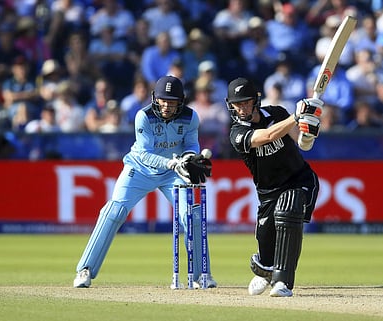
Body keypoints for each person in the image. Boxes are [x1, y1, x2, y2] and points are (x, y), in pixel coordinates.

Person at [73, 76, 215, 289]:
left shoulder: (191, 117)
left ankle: (199, 275)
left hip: (172, 172)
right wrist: (173, 163)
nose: (167, 105)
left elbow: (191, 144)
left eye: (172, 101)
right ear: (155, 98)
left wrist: (190, 159)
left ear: (181, 101)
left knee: (190, 214)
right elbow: (146, 154)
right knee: (114, 211)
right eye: (163, 100)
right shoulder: (144, 116)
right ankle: (85, 270)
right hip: (139, 169)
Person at [226, 77, 320, 297]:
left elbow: (303, 144)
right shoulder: (236, 132)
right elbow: (266, 136)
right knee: (265, 251)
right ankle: (266, 271)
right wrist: (295, 117)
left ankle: (283, 282)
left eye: (246, 102)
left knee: (288, 212)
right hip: (268, 193)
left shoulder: (276, 113)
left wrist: (309, 125)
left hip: (299, 179)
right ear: (230, 105)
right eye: (237, 104)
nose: (242, 108)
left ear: (255, 100)